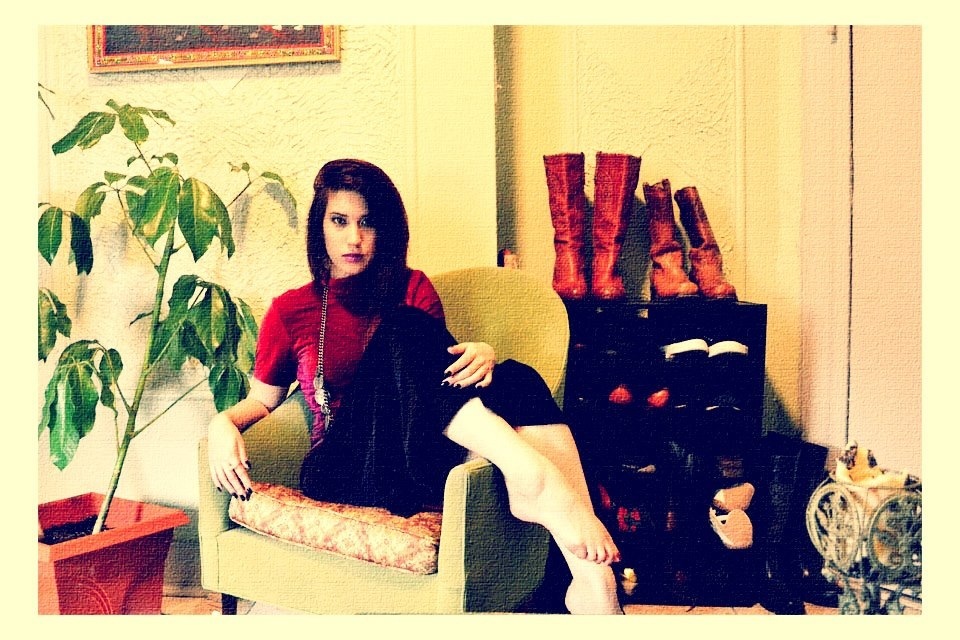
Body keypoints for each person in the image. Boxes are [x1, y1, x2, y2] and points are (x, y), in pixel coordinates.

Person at [207, 158, 623, 614]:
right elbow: (262, 400)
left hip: (412, 463)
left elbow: (435, 387)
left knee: (515, 376)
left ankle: (593, 584)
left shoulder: (413, 287)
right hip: (343, 469)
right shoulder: (292, 310)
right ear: (319, 227)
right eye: (339, 221)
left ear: (385, 229)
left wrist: (482, 354)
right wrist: (221, 425)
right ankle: (530, 475)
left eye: (367, 222)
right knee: (404, 326)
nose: (354, 238)